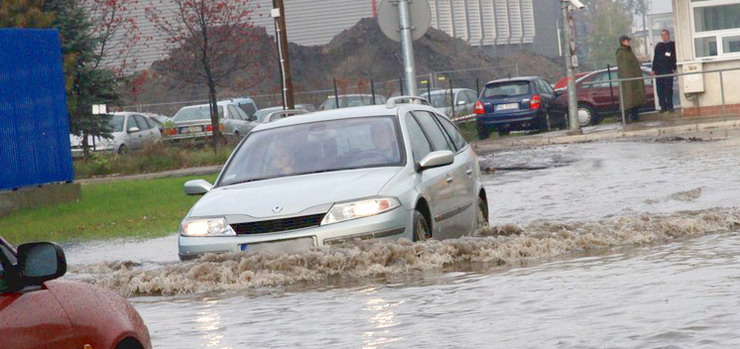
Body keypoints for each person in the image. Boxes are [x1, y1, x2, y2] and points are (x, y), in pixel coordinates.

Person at [616, 35, 647, 122]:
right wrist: (629, 80)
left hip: (634, 80)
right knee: (629, 100)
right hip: (628, 81)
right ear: (623, 42)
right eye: (627, 40)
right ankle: (628, 117)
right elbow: (624, 68)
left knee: (635, 100)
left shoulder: (628, 51)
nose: (629, 42)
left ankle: (634, 116)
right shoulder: (621, 53)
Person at [651, 29, 677, 113]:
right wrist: (653, 69)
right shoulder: (659, 46)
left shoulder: (672, 45)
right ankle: (663, 106)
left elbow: (675, 57)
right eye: (662, 35)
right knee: (660, 90)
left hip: (668, 71)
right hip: (659, 71)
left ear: (668, 35)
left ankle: (670, 106)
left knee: (668, 89)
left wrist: (674, 68)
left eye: (665, 34)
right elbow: (655, 58)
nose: (664, 36)